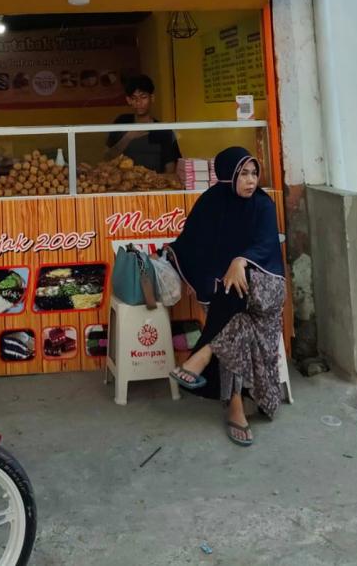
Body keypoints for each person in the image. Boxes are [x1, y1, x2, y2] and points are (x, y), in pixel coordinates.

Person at [167, 146, 286, 447]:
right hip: (230, 299)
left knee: (233, 286)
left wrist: (240, 260)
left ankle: (203, 353)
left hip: (265, 290)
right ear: (226, 175)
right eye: (243, 174)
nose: (251, 180)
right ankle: (235, 406)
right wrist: (191, 271)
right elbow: (191, 243)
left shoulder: (263, 205)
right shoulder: (211, 202)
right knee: (237, 321)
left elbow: (266, 246)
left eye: (254, 173)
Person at [106, 75, 180, 173]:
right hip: (125, 180)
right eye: (134, 98)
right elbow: (107, 157)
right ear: (129, 100)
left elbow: (170, 168)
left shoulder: (162, 130)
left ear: (152, 98)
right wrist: (128, 137)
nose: (138, 102)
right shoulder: (122, 122)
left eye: (143, 97)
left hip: (154, 181)